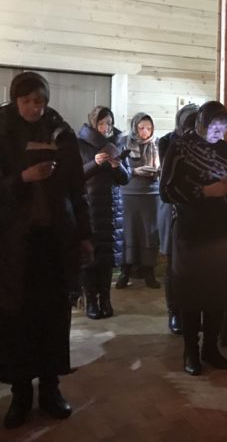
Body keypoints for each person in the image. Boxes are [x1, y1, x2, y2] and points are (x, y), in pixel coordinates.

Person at [0, 72, 93, 429]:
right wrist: (23, 179)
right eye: (26, 101)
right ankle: (21, 394)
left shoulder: (61, 133)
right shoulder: (3, 132)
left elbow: (76, 190)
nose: (34, 108)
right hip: (15, 245)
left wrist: (84, 235)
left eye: (39, 100)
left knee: (53, 317)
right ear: (15, 101)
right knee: (19, 320)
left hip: (55, 241)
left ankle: (51, 390)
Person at [160, 101, 227, 376]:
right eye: (214, 126)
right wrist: (206, 191)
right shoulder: (180, 147)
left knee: (217, 291)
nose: (219, 132)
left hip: (223, 230)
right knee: (191, 292)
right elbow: (166, 190)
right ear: (201, 123)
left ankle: (210, 347)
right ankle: (191, 351)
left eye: (224, 127)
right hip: (191, 229)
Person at [77, 106, 130, 319]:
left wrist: (117, 166)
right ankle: (91, 301)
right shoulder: (81, 144)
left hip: (112, 208)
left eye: (109, 123)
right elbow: (76, 175)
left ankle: (106, 300)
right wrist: (95, 163)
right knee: (91, 257)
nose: (106, 127)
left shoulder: (118, 143)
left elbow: (125, 178)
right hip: (89, 205)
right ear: (93, 123)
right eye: (101, 123)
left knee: (107, 257)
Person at [158, 103, 199, 335]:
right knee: (174, 263)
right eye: (188, 124)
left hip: (197, 208)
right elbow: (171, 176)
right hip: (173, 206)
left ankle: (192, 311)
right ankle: (174, 312)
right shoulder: (168, 141)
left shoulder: (205, 143)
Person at [118, 112, 162, 289]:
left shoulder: (157, 144)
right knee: (128, 232)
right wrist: (134, 171)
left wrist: (156, 171)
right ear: (134, 127)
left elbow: (164, 166)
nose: (145, 131)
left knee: (149, 233)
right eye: (141, 127)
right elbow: (118, 167)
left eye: (149, 128)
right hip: (128, 193)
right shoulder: (124, 142)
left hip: (152, 194)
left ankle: (149, 272)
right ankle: (125, 272)